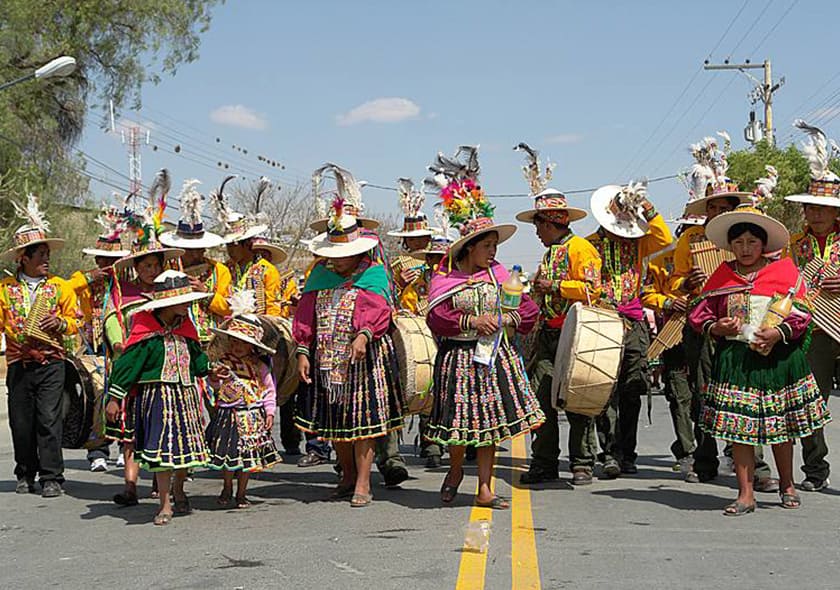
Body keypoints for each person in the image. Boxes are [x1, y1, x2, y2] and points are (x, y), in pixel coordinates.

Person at [688, 206, 829, 515]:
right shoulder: (723, 275)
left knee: (781, 427)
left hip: (780, 360)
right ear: (730, 245)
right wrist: (717, 327)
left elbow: (803, 312)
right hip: (738, 361)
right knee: (741, 429)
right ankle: (745, 493)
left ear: (764, 244)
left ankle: (787, 484)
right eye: (739, 242)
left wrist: (779, 333)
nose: (745, 248)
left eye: (752, 242)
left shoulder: (785, 271)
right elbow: (700, 315)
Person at [424, 146, 544, 509]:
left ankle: (485, 488)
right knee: (460, 426)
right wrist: (471, 321)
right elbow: (436, 317)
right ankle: (456, 471)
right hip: (459, 359)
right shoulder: (445, 279)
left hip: (494, 358)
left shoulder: (502, 277)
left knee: (490, 426)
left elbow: (528, 311)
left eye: (495, 245)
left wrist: (506, 319)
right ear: (468, 249)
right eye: (487, 246)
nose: (493, 252)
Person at [671, 135, 774, 487]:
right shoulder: (691, 240)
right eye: (712, 208)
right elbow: (673, 282)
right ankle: (705, 459)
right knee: (703, 391)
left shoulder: (750, 240)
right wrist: (688, 284)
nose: (717, 212)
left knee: (748, 392)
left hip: (745, 324)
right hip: (703, 323)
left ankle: (756, 466)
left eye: (724, 206)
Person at [293, 201, 404, 507]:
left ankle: (364, 482)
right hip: (327, 359)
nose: (338, 261)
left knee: (362, 421)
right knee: (336, 421)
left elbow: (380, 311)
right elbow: (305, 315)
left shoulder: (374, 274)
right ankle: (347, 477)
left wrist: (364, 334)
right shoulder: (319, 276)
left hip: (364, 360)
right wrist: (303, 350)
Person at [512, 143, 602, 486]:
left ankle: (582, 462)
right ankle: (545, 461)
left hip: (577, 334)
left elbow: (596, 291)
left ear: (552, 223)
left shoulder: (581, 249)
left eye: (539, 225)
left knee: (577, 396)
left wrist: (556, 286)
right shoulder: (550, 253)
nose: (536, 231)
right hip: (549, 336)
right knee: (542, 397)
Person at [105, 270, 212, 525]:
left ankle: (179, 490)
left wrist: (212, 368)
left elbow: (198, 362)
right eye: (184, 300)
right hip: (157, 398)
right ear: (167, 304)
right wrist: (115, 397)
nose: (188, 304)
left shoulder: (186, 327)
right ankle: (165, 503)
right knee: (163, 451)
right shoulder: (146, 332)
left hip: (185, 395)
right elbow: (127, 366)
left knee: (185, 449)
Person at [106, 176, 184, 506]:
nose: (151, 270)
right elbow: (111, 318)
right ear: (136, 267)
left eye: (156, 264)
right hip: (128, 364)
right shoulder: (123, 292)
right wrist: (119, 345)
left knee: (157, 424)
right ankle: (130, 485)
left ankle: (159, 482)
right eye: (146, 265)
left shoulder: (170, 292)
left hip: (160, 369)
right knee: (128, 430)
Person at [587, 180, 672, 476]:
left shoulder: (639, 241)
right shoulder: (590, 244)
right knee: (605, 388)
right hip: (603, 321)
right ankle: (609, 452)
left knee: (633, 388)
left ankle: (628, 452)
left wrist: (646, 207)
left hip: (634, 322)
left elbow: (664, 237)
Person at [1, 195, 78, 498]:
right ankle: (24, 473)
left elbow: (76, 322)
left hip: (51, 362)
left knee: (48, 419)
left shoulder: (59, 287)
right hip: (19, 364)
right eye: (40, 255)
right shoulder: (5, 291)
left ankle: (52, 477)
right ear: (24, 258)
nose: (47, 260)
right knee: (22, 423)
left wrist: (60, 325)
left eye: (47, 254)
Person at [784, 119, 840, 492]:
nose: (815, 213)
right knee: (810, 400)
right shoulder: (792, 244)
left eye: (822, 208)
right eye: (810, 207)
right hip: (813, 333)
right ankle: (815, 469)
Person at [67, 205, 131, 472]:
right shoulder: (82, 282)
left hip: (120, 349)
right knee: (97, 397)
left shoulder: (128, 284)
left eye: (111, 261)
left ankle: (121, 445)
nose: (106, 265)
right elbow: (64, 289)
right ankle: (97, 451)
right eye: (102, 260)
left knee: (122, 396)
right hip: (92, 348)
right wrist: (88, 278)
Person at [640, 217, 703, 474]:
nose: (693, 237)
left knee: (707, 392)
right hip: (674, 331)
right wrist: (668, 302)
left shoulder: (726, 253)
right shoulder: (659, 259)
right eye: (688, 232)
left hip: (710, 331)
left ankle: (722, 451)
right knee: (679, 394)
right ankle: (688, 450)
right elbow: (646, 293)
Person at [206, 291, 280, 508]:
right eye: (234, 341)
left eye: (243, 342)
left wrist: (269, 412)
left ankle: (242, 492)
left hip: (252, 416)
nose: (238, 346)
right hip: (228, 414)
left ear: (252, 345)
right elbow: (216, 386)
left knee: (249, 459)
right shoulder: (222, 363)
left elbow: (269, 391)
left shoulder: (260, 366)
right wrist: (215, 380)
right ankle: (227, 487)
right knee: (229, 455)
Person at [159, 178, 232, 346]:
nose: (198, 253)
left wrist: (205, 293)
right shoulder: (168, 270)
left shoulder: (220, 270)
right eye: (191, 250)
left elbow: (228, 307)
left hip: (213, 341)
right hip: (176, 338)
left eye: (200, 248)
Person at [407, 226, 454, 468]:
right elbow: (406, 306)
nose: (436, 263)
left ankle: (463, 443)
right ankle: (432, 445)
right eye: (433, 258)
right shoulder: (416, 281)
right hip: (425, 340)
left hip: (453, 339)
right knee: (429, 390)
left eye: (442, 258)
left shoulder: (459, 278)